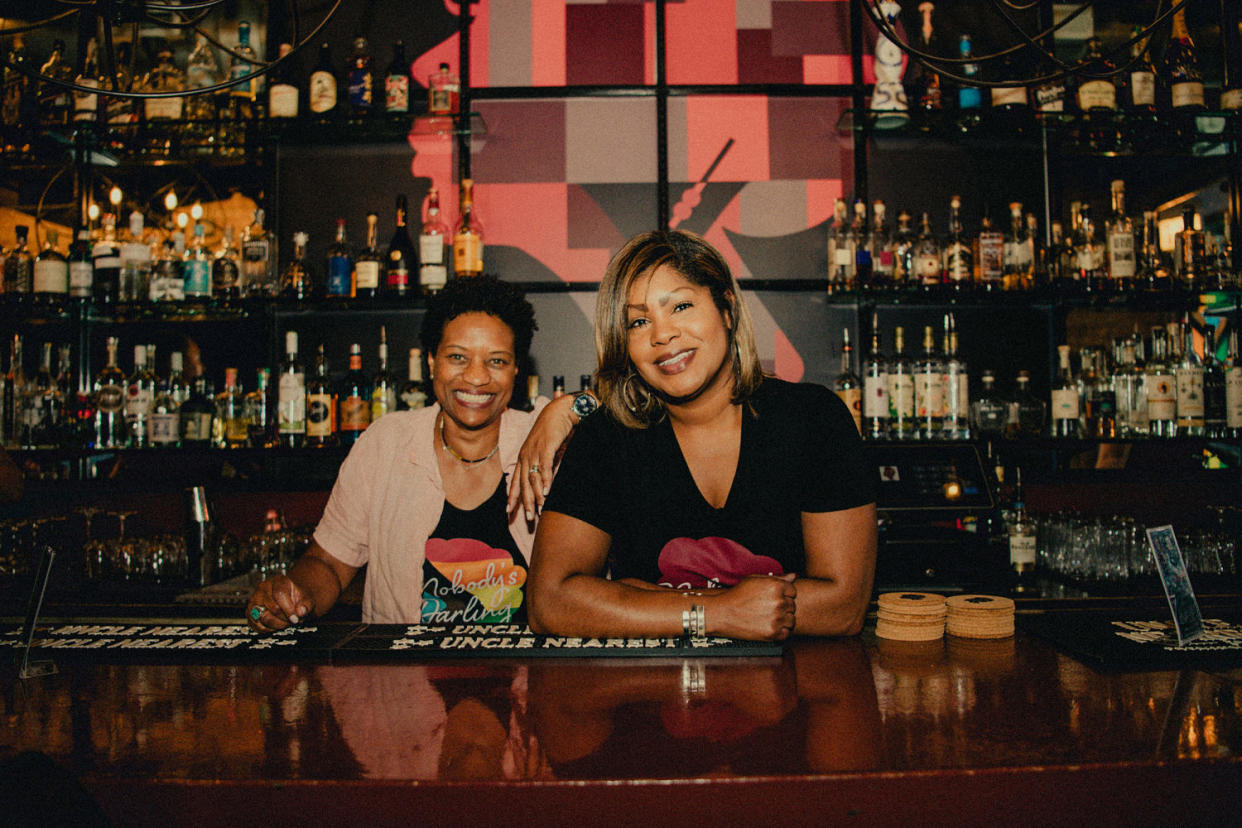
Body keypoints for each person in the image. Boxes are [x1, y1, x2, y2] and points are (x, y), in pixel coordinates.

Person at [528, 230, 877, 641]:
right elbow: (548, 603)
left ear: (726, 309)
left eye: (681, 305)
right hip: (651, 696)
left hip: (795, 691)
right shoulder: (607, 437)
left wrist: (637, 599)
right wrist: (717, 612)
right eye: (639, 321)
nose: (662, 335)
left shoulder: (813, 419)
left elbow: (843, 607)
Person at [247, 277, 594, 630]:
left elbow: (631, 410)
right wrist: (294, 595)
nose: (476, 377)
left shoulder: (545, 443)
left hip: (525, 679)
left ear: (516, 370)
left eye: (497, 361)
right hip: (403, 681)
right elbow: (329, 564)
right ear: (431, 362)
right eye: (457, 357)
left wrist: (568, 409)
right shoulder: (385, 445)